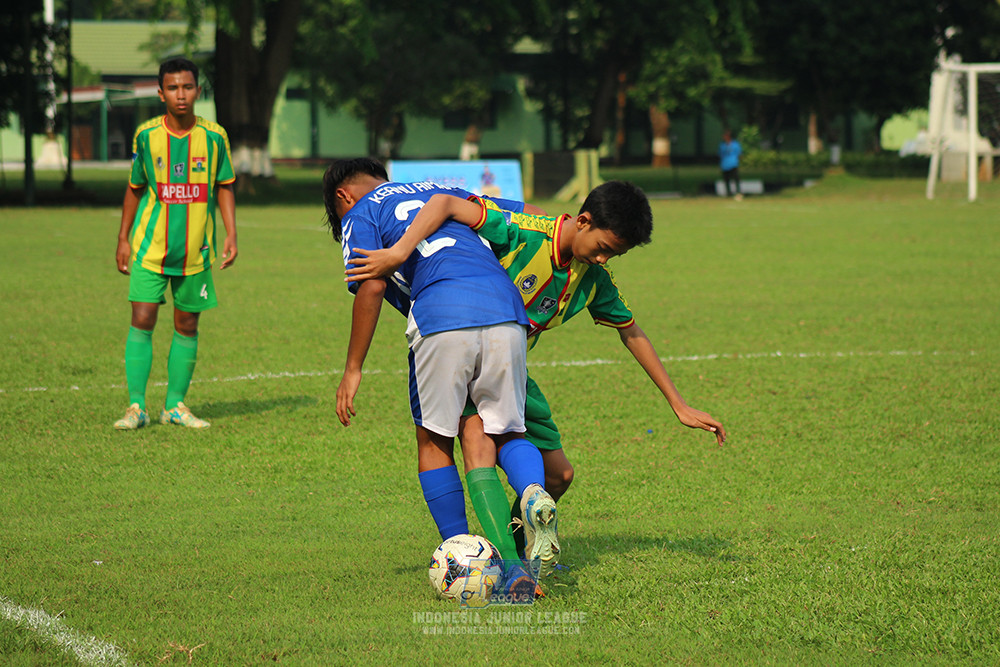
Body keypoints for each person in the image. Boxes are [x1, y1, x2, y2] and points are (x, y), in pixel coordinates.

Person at [346, 181, 727, 548]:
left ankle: (514, 545)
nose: (602, 258)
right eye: (602, 247)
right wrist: (398, 253)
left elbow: (631, 332)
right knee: (478, 442)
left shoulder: (593, 279)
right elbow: (446, 203)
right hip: (465, 342)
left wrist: (678, 404)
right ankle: (496, 558)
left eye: (614, 255)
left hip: (509, 367)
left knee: (559, 475)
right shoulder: (523, 231)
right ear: (583, 221)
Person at [322, 158, 560, 581]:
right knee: (507, 432)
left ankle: (467, 559)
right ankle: (531, 493)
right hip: (507, 310)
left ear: (344, 196)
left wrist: (353, 368)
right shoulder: (436, 191)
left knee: (434, 440)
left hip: (442, 314)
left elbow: (372, 284)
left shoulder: (359, 212)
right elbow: (529, 215)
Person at [113, 57, 238, 430]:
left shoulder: (215, 137)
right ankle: (136, 407)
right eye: (172, 88)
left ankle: (174, 406)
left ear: (198, 90)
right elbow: (135, 190)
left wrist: (232, 233)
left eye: (187, 87)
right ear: (160, 92)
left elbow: (225, 186)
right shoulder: (147, 136)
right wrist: (123, 238)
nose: (180, 95)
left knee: (186, 323)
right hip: (150, 248)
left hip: (195, 252)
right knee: (143, 318)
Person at [719, 129, 743, 200]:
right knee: (726, 179)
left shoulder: (735, 145)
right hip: (725, 164)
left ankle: (738, 192)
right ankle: (728, 193)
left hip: (733, 163)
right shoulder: (722, 145)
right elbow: (720, 155)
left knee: (736, 178)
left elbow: (739, 154)